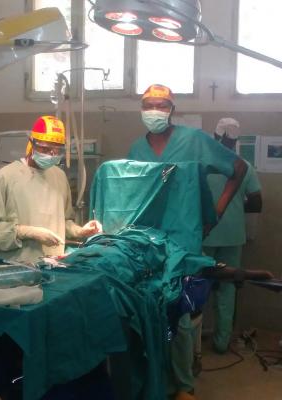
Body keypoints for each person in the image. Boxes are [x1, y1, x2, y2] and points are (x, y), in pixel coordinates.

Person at [127, 84, 248, 400]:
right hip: (146, 242)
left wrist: (215, 214)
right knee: (148, 313)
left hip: (184, 241)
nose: (154, 111)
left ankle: (183, 384)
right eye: (149, 105)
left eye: (161, 105)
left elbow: (238, 168)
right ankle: (155, 377)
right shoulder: (136, 150)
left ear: (172, 110)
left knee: (181, 316)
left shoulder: (194, 140)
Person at [0, 115, 102, 263]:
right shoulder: (5, 176)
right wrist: (26, 232)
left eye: (57, 150)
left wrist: (80, 231)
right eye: (45, 148)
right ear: (32, 143)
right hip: (13, 264)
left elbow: (64, 221)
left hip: (52, 263)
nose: (52, 154)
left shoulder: (59, 176)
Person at [203, 118, 262, 354]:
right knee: (227, 288)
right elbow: (256, 203)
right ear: (236, 141)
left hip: (205, 235)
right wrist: (234, 207)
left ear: (214, 137)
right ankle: (221, 342)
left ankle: (192, 345)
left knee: (196, 284)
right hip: (233, 236)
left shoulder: (203, 164)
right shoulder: (244, 166)